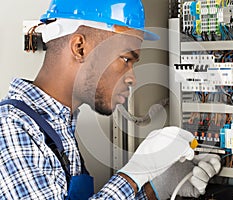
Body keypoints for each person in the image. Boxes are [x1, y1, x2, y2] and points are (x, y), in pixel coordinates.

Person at [0, 0, 221, 199]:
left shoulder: (57, 127)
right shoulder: (11, 128)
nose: (132, 77)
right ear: (80, 47)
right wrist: (134, 174)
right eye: (125, 59)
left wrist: (157, 187)